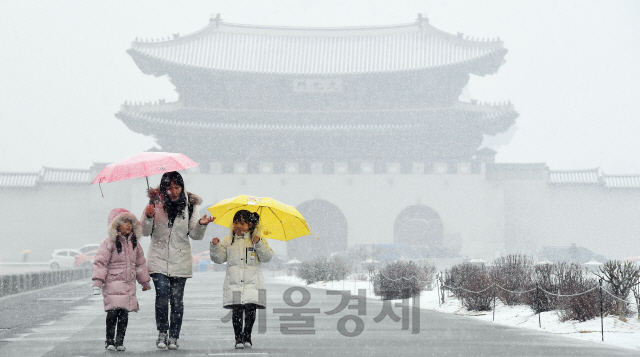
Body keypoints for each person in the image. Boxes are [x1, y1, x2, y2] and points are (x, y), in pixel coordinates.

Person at [141, 171, 214, 350]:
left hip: (180, 258)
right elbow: (144, 231)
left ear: (182, 187)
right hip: (158, 257)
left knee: (176, 299)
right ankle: (162, 333)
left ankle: (174, 336)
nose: (173, 191)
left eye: (177, 187)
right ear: (163, 188)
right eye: (169, 187)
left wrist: (202, 225)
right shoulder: (154, 202)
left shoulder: (190, 206)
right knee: (162, 295)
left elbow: (195, 235)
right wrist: (149, 216)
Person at [210, 210, 273, 349]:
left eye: (242, 223)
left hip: (253, 283)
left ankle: (247, 336)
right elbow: (219, 259)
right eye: (236, 222)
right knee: (237, 310)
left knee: (251, 310)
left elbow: (267, 257)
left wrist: (259, 244)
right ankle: (238, 338)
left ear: (250, 225)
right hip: (234, 282)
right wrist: (215, 247)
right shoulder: (228, 241)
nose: (238, 226)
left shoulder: (257, 239)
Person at [92, 208, 151, 352]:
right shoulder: (108, 243)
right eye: (124, 221)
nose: (128, 225)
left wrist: (144, 281)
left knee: (124, 314)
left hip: (128, 285)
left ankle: (120, 341)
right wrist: (97, 283)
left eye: (130, 222)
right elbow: (100, 263)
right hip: (112, 283)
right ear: (116, 225)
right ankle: (110, 340)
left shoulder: (135, 244)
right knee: (112, 313)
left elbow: (140, 263)